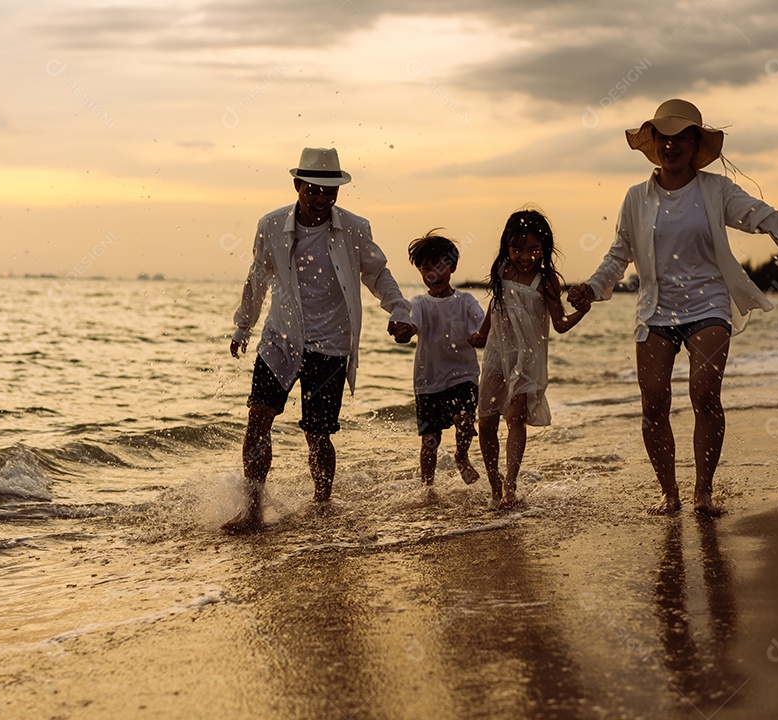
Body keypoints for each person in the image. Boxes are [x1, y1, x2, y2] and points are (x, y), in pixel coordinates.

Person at [567, 99, 778, 517]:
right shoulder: (636, 198)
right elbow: (618, 256)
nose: (671, 145)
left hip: (709, 304)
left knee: (704, 395)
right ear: (655, 143)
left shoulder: (716, 190)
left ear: (694, 142)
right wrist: (592, 289)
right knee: (652, 404)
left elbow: (765, 217)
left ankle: (704, 491)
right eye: (663, 137)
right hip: (656, 310)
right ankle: (669, 493)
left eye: (680, 137)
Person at [225, 147, 415, 532]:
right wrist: (243, 327)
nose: (321, 200)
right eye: (313, 191)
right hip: (280, 338)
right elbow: (257, 278)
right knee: (258, 418)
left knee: (318, 433)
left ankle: (322, 505)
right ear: (297, 186)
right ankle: (253, 509)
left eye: (329, 192)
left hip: (330, 344)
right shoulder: (271, 225)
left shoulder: (354, 228)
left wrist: (399, 309)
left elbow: (377, 274)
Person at [469, 209, 590, 509]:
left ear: (544, 249)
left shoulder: (546, 280)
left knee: (515, 417)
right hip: (498, 353)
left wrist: (583, 311)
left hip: (529, 357)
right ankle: (494, 484)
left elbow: (559, 324)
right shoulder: (501, 272)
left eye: (533, 249)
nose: (525, 256)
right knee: (485, 421)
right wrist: (482, 334)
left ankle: (510, 487)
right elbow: (495, 306)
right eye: (517, 249)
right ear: (506, 246)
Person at [397, 230, 486, 487]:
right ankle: (428, 488)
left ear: (453, 266)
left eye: (440, 266)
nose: (433, 274)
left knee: (465, 419)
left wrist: (479, 338)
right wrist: (404, 331)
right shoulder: (420, 303)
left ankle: (461, 456)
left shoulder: (466, 301)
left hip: (463, 375)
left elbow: (480, 329)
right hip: (429, 381)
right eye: (426, 268)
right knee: (429, 441)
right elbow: (412, 325)